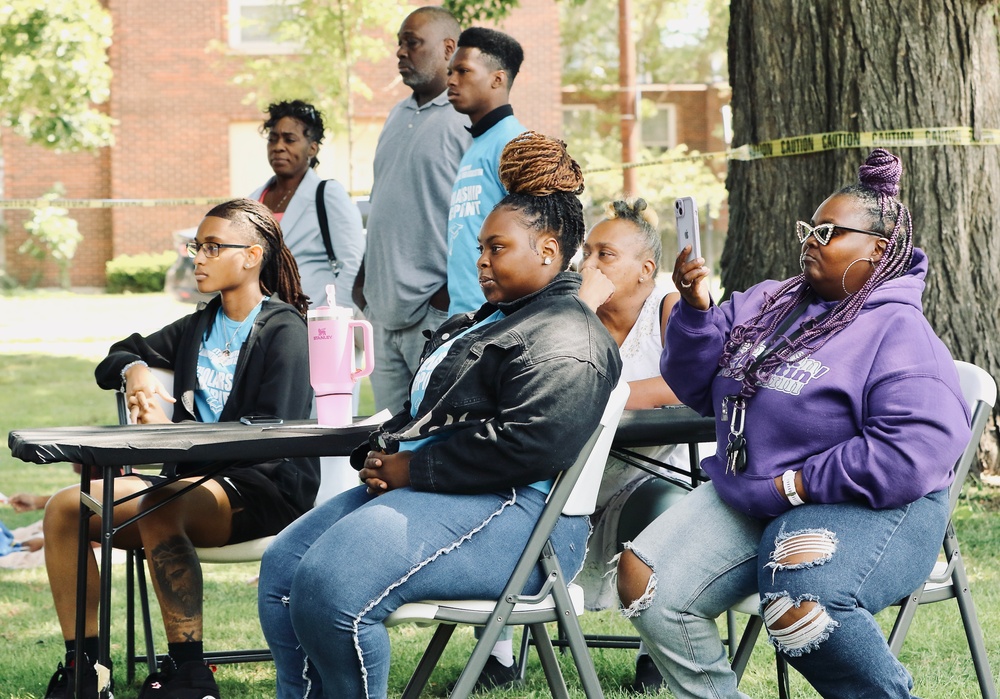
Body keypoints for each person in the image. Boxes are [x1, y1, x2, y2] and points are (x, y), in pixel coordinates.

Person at [257, 132, 622, 699]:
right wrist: (383, 454)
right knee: (285, 568)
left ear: (548, 251)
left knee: (333, 586)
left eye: (497, 248)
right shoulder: (490, 319)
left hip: (524, 518)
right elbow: (429, 410)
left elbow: (530, 446)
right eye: (481, 247)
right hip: (443, 492)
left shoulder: (569, 335)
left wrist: (411, 472)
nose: (480, 260)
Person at [616, 149, 972, 699]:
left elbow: (911, 453)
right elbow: (694, 382)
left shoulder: (899, 330)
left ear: (878, 251)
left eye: (829, 232)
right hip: (757, 491)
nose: (811, 239)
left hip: (870, 505)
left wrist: (798, 483)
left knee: (799, 603)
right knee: (647, 581)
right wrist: (694, 309)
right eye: (810, 228)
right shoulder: (770, 302)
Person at [41, 199, 319, 699]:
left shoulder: (283, 330)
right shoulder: (198, 326)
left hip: (263, 489)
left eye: (214, 246)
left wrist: (171, 435)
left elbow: (270, 436)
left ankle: (189, 672)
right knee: (66, 508)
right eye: (197, 246)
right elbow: (116, 355)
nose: (200, 256)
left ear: (252, 255)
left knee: (158, 507)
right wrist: (136, 369)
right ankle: (85, 669)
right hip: (185, 485)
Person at [575, 198, 691, 693]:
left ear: (647, 270)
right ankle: (500, 650)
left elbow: (684, 384)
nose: (589, 264)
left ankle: (656, 654)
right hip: (579, 475)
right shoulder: (575, 316)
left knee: (668, 510)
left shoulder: (668, 309)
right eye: (586, 252)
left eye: (605, 254)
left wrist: (608, 397)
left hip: (653, 468)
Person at [352, 7, 471, 414]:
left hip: (431, 316)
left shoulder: (465, 121)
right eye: (399, 44)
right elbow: (385, 200)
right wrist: (364, 279)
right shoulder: (395, 114)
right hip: (381, 315)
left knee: (428, 440)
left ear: (448, 49)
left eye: (412, 42)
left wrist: (441, 299)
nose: (400, 52)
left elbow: (481, 217)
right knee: (385, 441)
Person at [445, 26, 528, 316]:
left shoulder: (515, 144)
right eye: (449, 72)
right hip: (464, 315)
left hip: (497, 320)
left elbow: (538, 236)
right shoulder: (476, 144)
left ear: (497, 79)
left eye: (463, 71)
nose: (451, 81)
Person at [251, 100, 364, 311]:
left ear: (312, 148)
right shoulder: (254, 199)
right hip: (262, 318)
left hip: (314, 316)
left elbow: (352, 264)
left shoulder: (327, 194)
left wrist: (334, 317)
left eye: (289, 139)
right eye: (272, 139)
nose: (278, 147)